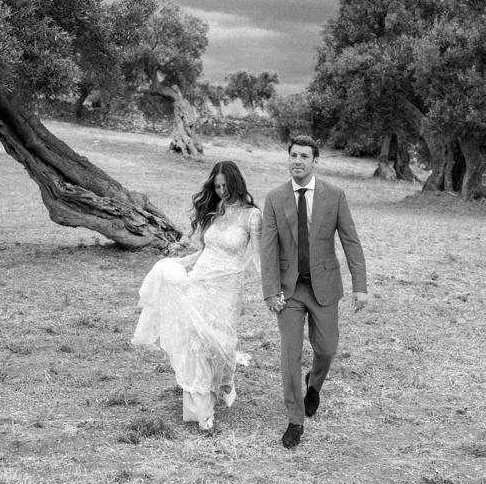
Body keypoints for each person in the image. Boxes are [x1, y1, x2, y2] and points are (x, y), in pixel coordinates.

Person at [133, 161, 261, 432]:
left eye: (226, 185)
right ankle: (201, 409)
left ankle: (223, 380)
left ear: (236, 184)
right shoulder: (214, 212)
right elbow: (205, 251)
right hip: (201, 281)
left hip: (227, 287)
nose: (222, 191)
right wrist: (180, 264)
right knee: (195, 340)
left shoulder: (252, 216)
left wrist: (272, 289)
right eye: (217, 186)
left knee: (220, 343)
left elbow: (259, 257)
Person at [260, 135, 368, 449]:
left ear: (315, 161)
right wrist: (270, 291)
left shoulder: (335, 196)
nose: (297, 161)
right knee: (290, 356)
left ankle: (314, 384)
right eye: (293, 155)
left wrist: (360, 287)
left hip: (325, 286)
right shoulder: (275, 198)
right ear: (288, 158)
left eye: (304, 156)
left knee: (327, 348)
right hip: (289, 291)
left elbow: (351, 241)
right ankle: (295, 420)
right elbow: (267, 250)